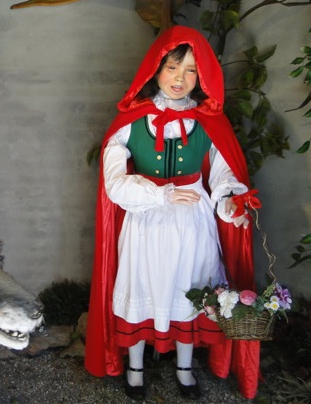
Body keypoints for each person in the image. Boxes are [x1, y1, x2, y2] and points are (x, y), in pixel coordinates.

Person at [84, 25, 261, 400]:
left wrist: (231, 205)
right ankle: (135, 367)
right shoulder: (130, 122)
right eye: (173, 67)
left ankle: (184, 367)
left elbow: (225, 174)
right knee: (142, 283)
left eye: (191, 70)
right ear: (155, 69)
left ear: (202, 76)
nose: (180, 79)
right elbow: (115, 185)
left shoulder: (208, 121)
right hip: (146, 221)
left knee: (190, 286)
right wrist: (162, 194)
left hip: (193, 223)